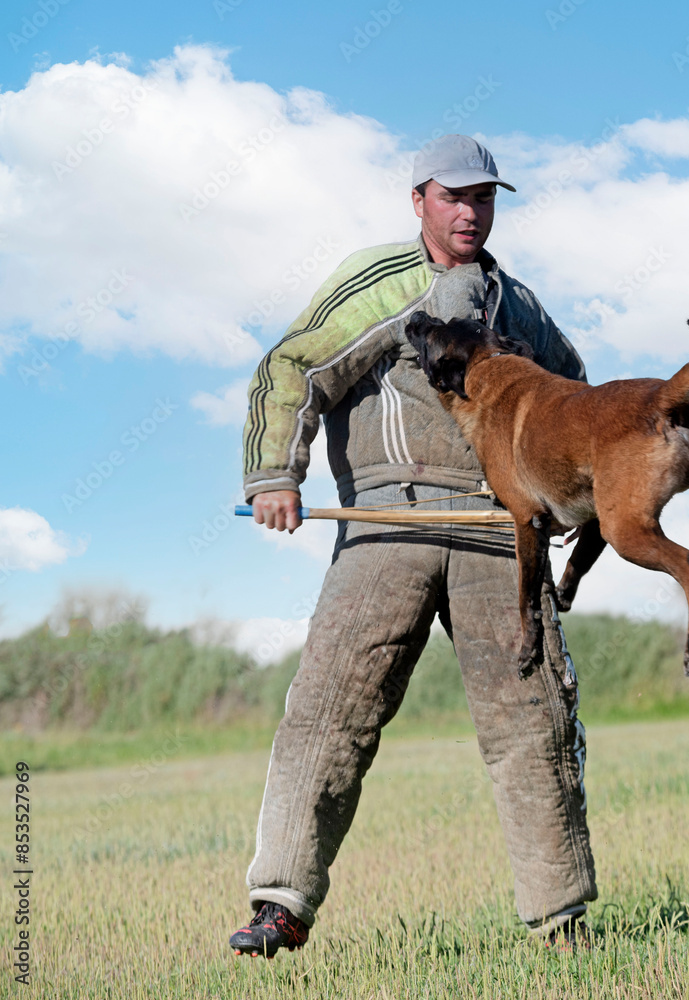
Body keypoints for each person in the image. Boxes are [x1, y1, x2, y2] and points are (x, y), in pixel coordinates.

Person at [229, 134, 596, 957]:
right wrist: (272, 477)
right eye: (453, 196)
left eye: (483, 198)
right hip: (386, 523)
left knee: (532, 720)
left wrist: (573, 491)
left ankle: (560, 919)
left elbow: (579, 401)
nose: (470, 212)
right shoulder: (379, 284)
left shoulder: (521, 309)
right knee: (329, 713)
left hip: (500, 531)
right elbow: (289, 368)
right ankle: (279, 902)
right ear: (420, 199)